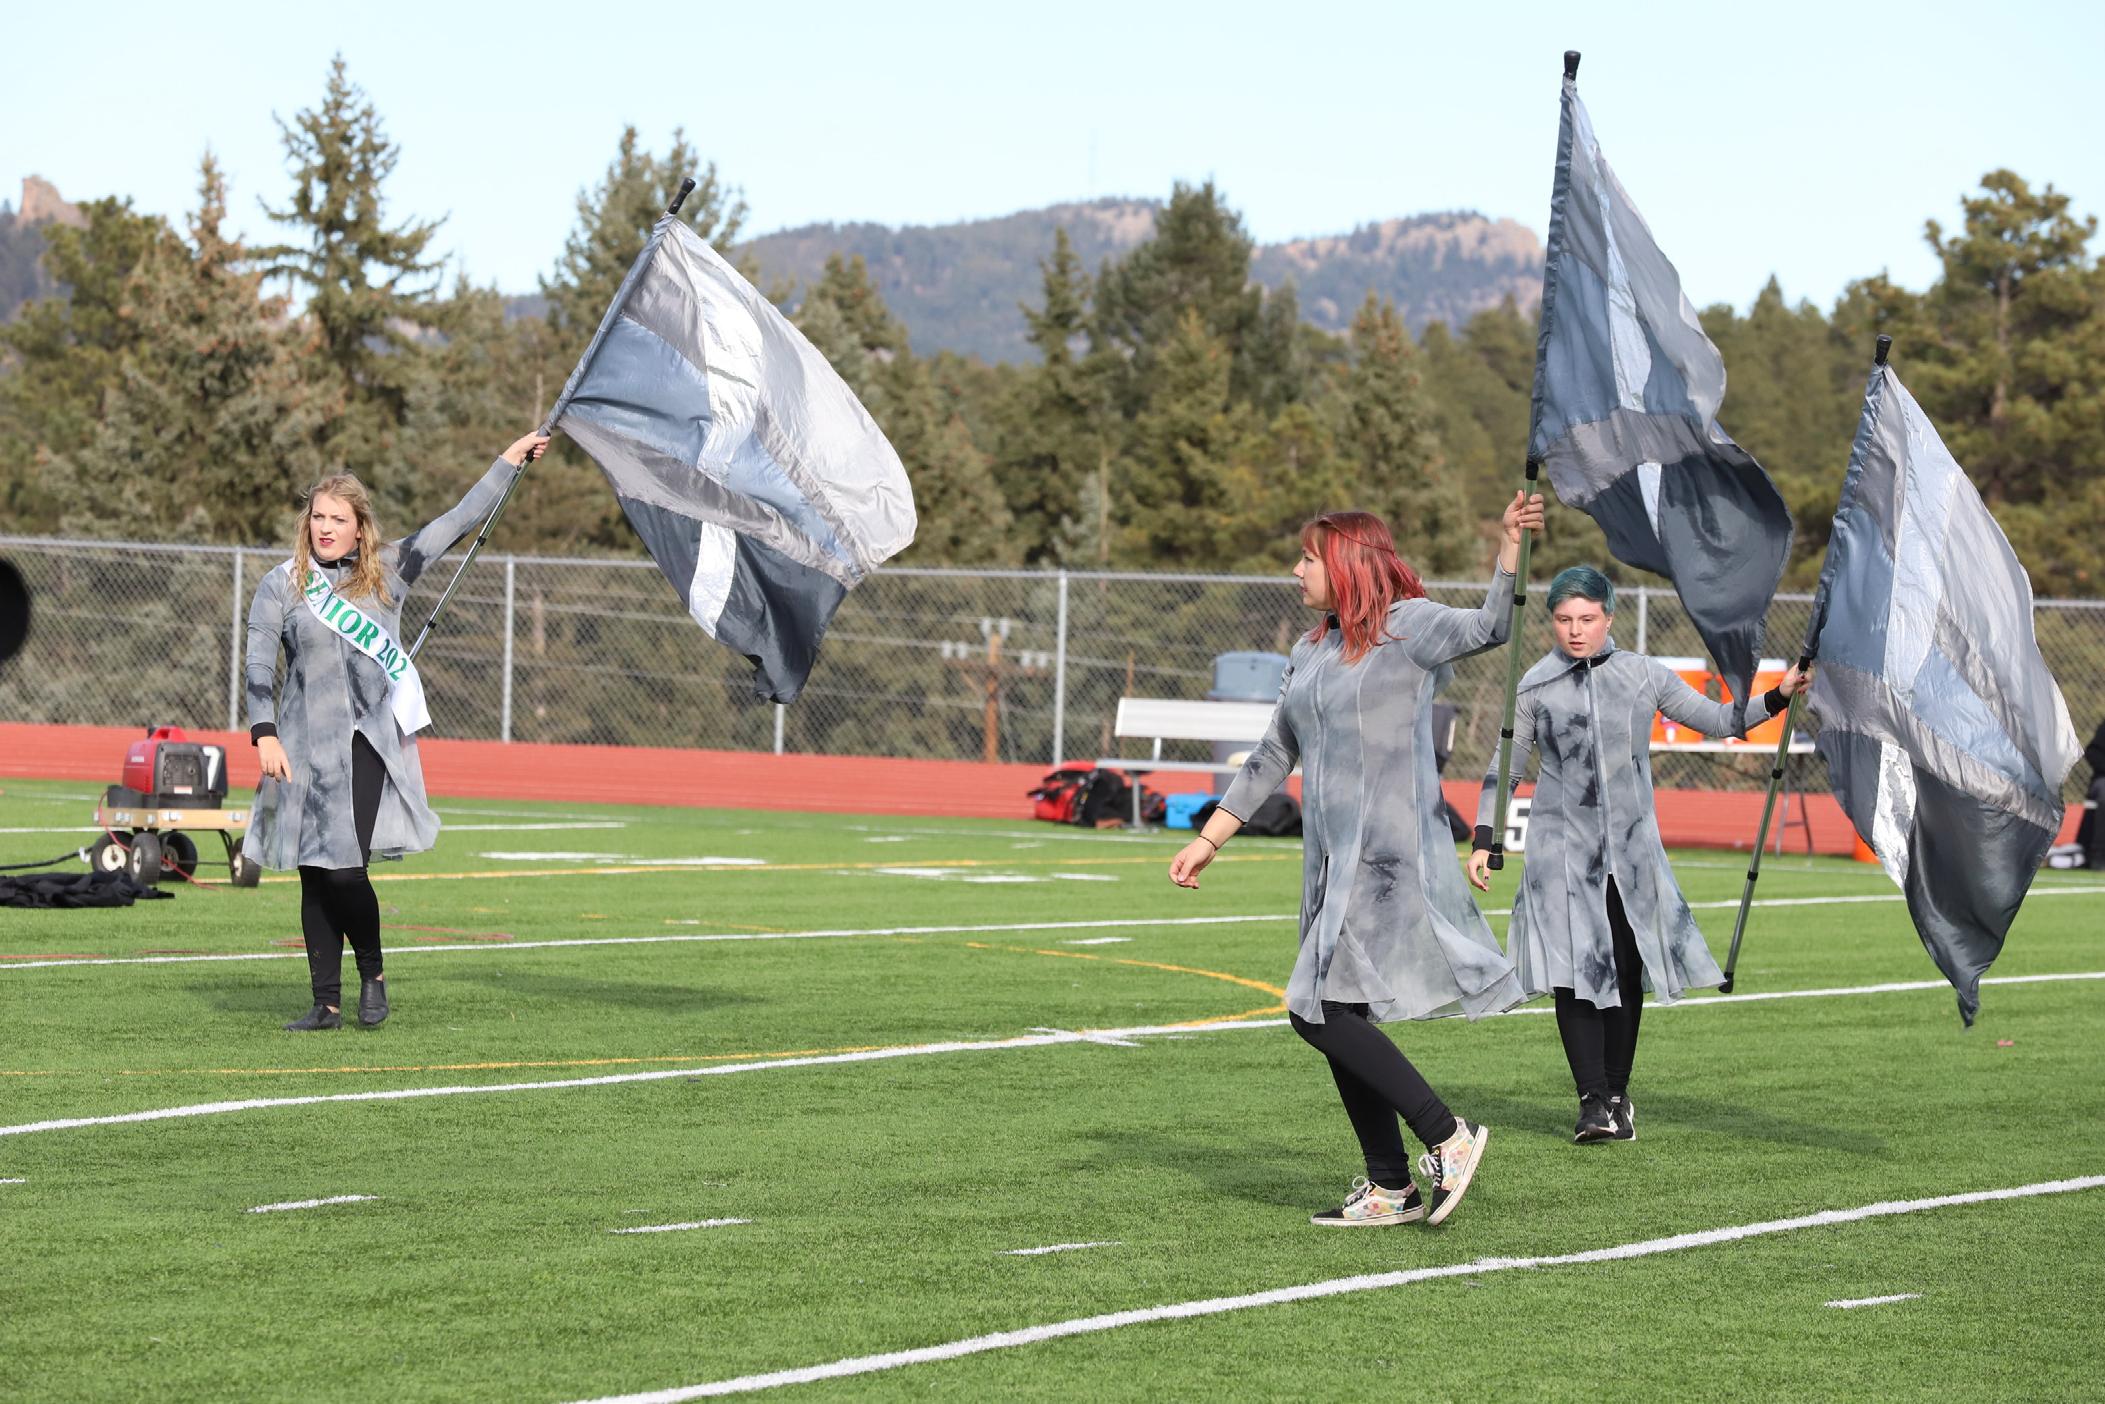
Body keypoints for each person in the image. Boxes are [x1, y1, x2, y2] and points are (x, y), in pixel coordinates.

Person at [1169, 491, 1545, 1228]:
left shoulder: (1410, 628)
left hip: (1386, 861)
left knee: (1314, 1011)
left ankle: (1445, 1134)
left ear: (1346, 563)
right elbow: (1273, 752)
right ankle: (1390, 1185)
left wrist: (1509, 545)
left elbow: (1492, 626)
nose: (1296, 570)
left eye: (1308, 558)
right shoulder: (1308, 650)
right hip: (1328, 863)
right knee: (1336, 1011)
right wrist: (1208, 837)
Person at [1468, 565, 1808, 1143]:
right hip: (1559, 854)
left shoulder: (1644, 674)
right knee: (1574, 973)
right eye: (1564, 619)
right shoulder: (1533, 685)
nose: (1576, 630)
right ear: (1552, 622)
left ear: (1608, 617)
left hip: (1629, 857)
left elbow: (1718, 721)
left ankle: (1617, 1094)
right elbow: (1507, 768)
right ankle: (1591, 1102)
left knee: (1625, 969)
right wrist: (1483, 839)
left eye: (1587, 618)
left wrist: (1779, 694)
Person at [247, 432, 547, 1031]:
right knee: (314, 872)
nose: (326, 528)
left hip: (367, 741)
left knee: (344, 867)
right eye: (318, 517)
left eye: (339, 519)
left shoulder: (387, 573)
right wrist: (264, 733)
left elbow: (457, 521)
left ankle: (373, 972)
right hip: (302, 743)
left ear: (360, 529)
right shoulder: (282, 584)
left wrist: (506, 463)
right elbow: (258, 663)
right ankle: (326, 1003)